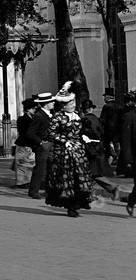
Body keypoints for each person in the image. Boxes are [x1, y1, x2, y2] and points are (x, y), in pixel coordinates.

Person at [45, 84, 93, 217]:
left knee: (80, 177)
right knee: (68, 178)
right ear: (63, 105)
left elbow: (79, 130)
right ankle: (71, 206)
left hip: (78, 151)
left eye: (73, 102)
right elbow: (51, 133)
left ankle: (79, 201)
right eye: (69, 103)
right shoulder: (58, 117)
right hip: (64, 153)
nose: (72, 105)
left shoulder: (77, 116)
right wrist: (64, 140)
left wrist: (83, 136)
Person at [80, 99, 118, 199]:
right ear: (91, 109)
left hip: (89, 149)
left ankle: (107, 188)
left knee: (88, 172)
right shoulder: (97, 119)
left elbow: (84, 135)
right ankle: (92, 193)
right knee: (92, 173)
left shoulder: (84, 120)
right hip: (98, 148)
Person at [26, 91, 56, 198]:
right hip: (42, 146)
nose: (53, 103)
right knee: (40, 169)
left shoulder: (51, 114)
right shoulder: (39, 116)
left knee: (50, 169)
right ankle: (33, 191)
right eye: (51, 101)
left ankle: (48, 190)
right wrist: (41, 142)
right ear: (46, 103)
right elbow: (30, 133)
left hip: (51, 145)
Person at [12, 98, 37, 187]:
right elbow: (23, 133)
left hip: (31, 145)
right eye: (33, 108)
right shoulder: (22, 119)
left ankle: (27, 181)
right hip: (24, 144)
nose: (35, 110)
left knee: (29, 164)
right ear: (28, 109)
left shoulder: (34, 118)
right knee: (22, 164)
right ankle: (22, 182)